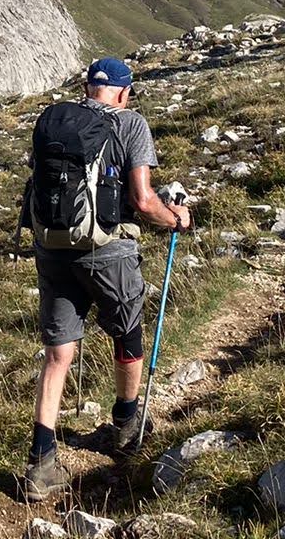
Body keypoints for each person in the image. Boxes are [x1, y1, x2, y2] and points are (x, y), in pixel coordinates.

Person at [20, 56, 191, 504]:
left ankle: (40, 460)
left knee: (58, 353)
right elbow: (142, 198)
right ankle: (126, 423)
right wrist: (174, 219)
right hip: (106, 249)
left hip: (53, 246)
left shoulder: (55, 121)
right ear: (123, 91)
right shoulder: (131, 123)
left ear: (86, 87)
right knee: (126, 332)